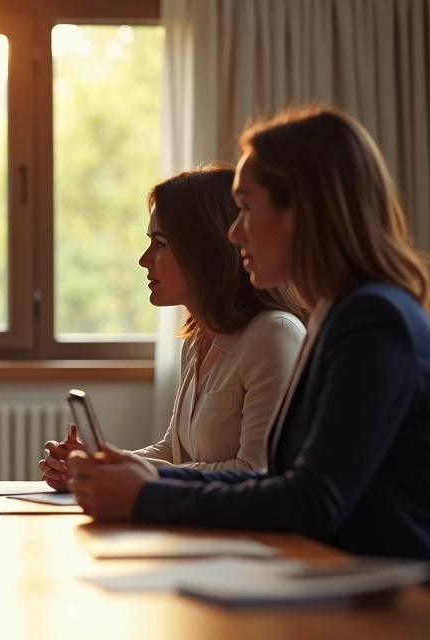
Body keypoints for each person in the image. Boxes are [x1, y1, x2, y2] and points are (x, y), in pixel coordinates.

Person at [66, 106, 430, 561]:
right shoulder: (338, 316)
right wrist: (139, 477)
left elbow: (313, 501)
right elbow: (276, 482)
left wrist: (146, 495)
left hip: (394, 607)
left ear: (303, 212)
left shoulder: (374, 320)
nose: (234, 233)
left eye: (246, 209)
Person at [40, 165, 307, 490]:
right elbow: (173, 451)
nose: (144, 259)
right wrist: (100, 466)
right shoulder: (197, 340)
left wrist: (127, 475)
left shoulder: (273, 335)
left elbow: (256, 471)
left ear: (206, 248)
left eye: (160, 244)